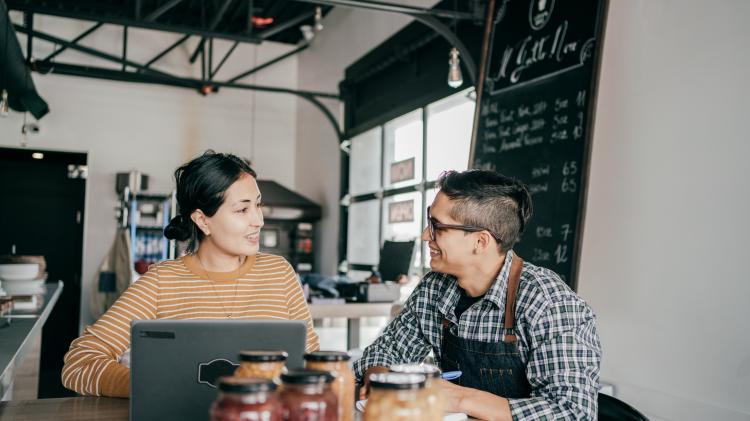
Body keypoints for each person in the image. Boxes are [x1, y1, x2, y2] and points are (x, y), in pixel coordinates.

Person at [62, 151, 319, 398]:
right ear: (202, 220)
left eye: (258, 205)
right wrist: (150, 387)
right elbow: (79, 362)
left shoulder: (279, 273)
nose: (259, 220)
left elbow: (311, 359)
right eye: (243, 210)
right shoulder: (162, 282)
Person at [353, 170, 601, 420]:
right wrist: (379, 378)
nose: (425, 235)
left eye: (437, 227)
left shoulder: (549, 303)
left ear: (481, 242)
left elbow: (573, 412)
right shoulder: (435, 288)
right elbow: (386, 350)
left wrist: (461, 398)